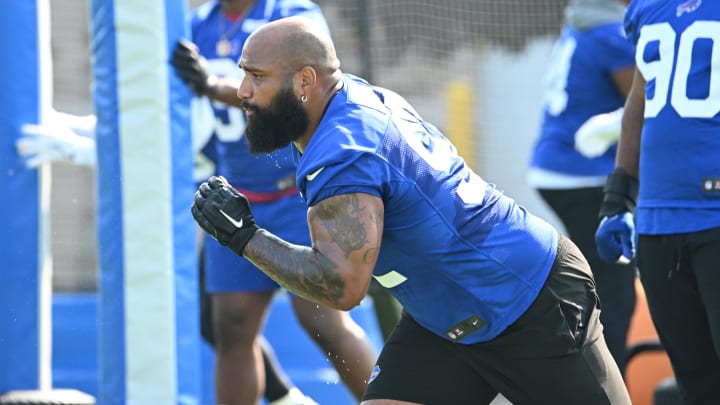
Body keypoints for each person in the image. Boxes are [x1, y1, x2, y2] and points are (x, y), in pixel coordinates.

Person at [190, 16, 633, 404]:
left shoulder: (343, 153)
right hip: (446, 316)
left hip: (527, 299)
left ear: (305, 82)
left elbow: (343, 286)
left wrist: (244, 237)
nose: (243, 92)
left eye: (257, 77)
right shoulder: (350, 97)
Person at [15, 109, 318, 405]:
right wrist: (66, 123)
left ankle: (304, 396)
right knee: (220, 325)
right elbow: (148, 117)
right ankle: (286, 398)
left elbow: (161, 142)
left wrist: (87, 151)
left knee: (320, 320)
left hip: (267, 201)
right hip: (234, 200)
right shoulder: (194, 89)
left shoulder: (219, 84)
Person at [170, 1, 377, 404]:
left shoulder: (293, 16)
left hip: (297, 193)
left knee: (324, 321)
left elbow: (292, 95)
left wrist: (212, 84)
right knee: (231, 327)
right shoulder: (198, 23)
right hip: (238, 194)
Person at [595, 1, 720, 404]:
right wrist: (618, 198)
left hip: (714, 218)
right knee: (696, 383)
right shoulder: (645, 10)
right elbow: (640, 100)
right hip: (657, 225)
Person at [527, 0, 636, 372]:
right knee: (614, 289)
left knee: (595, 283)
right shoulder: (610, 32)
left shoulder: (584, 22)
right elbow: (642, 103)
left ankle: (578, 377)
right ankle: (601, 385)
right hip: (582, 170)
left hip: (560, 166)